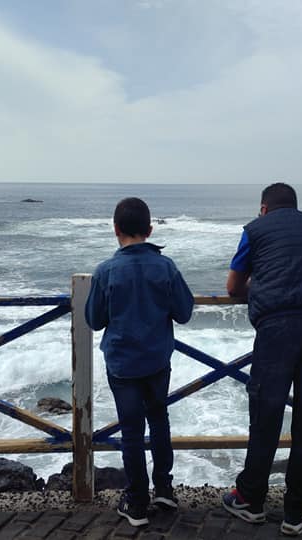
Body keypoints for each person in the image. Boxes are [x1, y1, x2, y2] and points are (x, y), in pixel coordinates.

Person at [222, 183, 302, 536]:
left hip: (276, 330)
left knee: (266, 415)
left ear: (263, 208)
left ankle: (249, 499)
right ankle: (298, 511)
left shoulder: (254, 230)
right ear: (295, 206)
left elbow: (233, 287)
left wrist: (260, 288)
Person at [84, 197, 194, 527]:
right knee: (159, 421)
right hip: (157, 359)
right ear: (149, 229)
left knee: (131, 431)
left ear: (116, 229)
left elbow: (94, 319)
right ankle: (165, 489)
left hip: (122, 363)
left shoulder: (105, 271)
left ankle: (136, 503)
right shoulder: (166, 267)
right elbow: (184, 311)